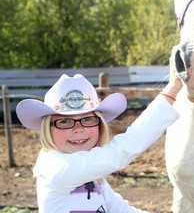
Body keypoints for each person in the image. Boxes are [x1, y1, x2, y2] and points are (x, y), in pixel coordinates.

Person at [16, 51, 182, 213]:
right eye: (65, 121)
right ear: (48, 128)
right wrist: (171, 90)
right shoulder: (56, 168)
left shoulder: (93, 179)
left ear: (99, 125)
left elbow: (118, 208)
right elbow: (121, 151)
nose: (78, 129)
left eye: (88, 119)